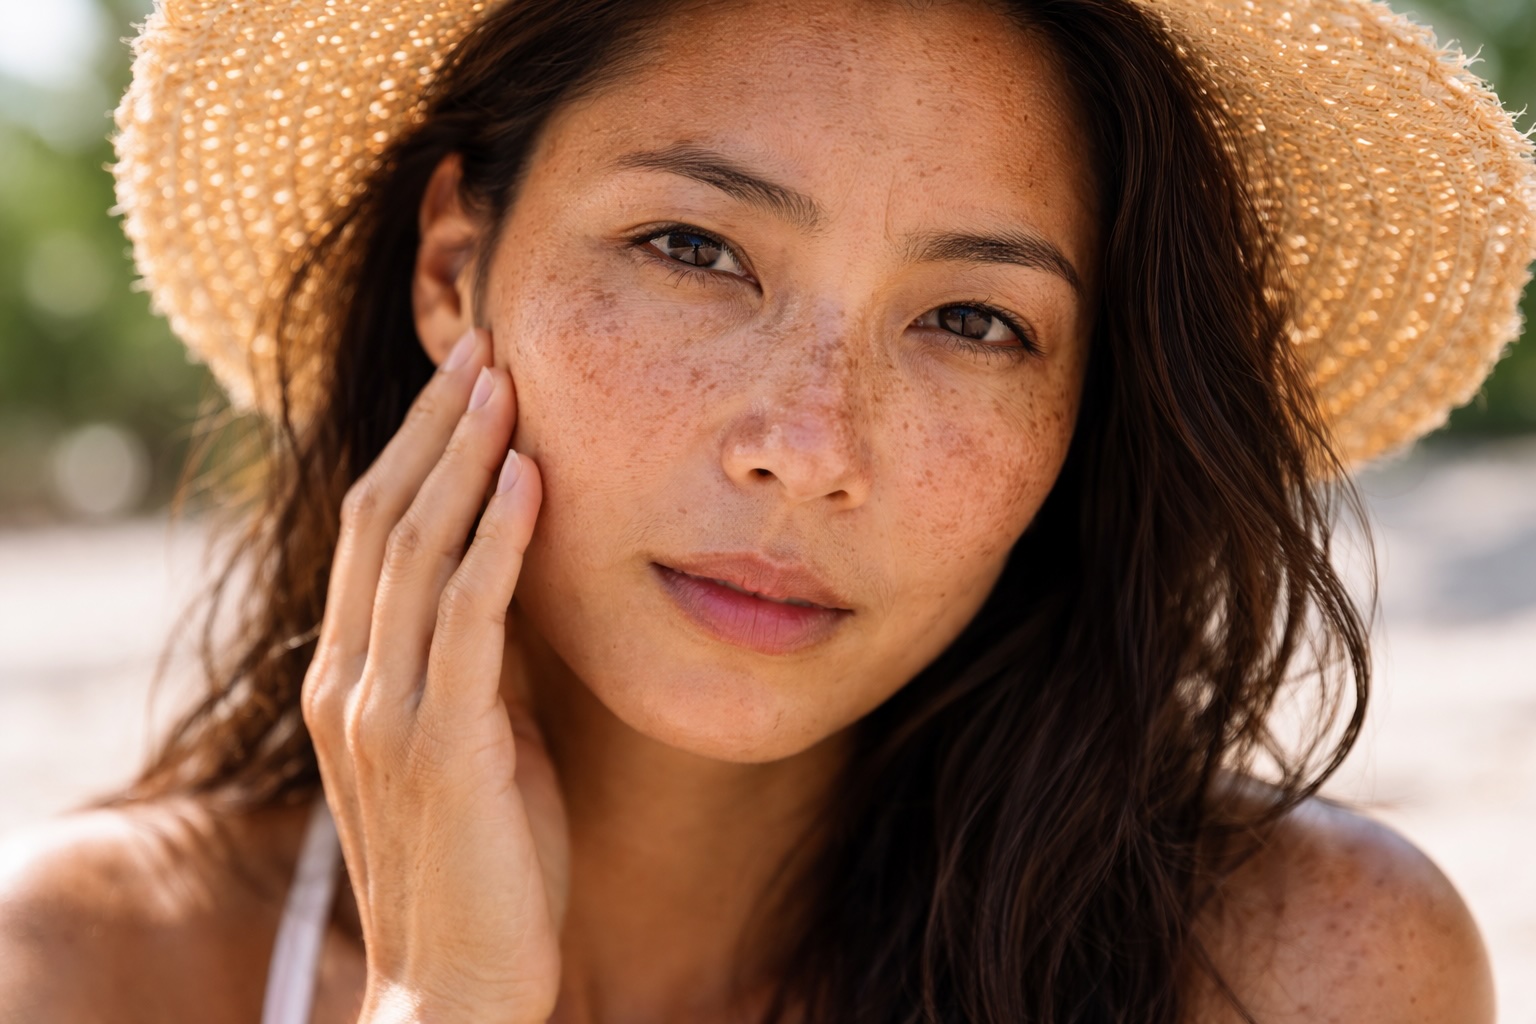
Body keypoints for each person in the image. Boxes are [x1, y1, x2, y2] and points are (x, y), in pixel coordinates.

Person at [1, 0, 1530, 1019]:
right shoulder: (96, 969)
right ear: (456, 270)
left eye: (974, 321)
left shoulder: (1309, 972)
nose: (807, 448)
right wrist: (444, 1003)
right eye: (692, 247)